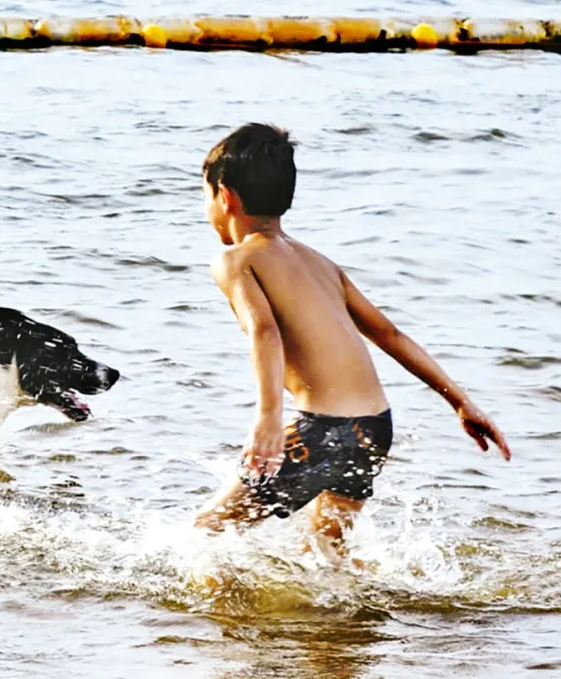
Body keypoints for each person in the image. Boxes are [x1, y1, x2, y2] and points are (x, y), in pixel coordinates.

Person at [192, 123, 511, 560]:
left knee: (205, 533)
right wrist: (460, 402)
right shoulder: (322, 264)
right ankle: (338, 630)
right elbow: (389, 334)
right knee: (324, 557)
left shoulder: (234, 260)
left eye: (205, 195)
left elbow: (265, 331)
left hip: (322, 429)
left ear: (224, 196)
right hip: (375, 428)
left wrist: (268, 419)